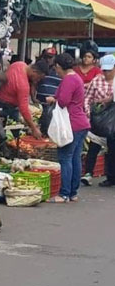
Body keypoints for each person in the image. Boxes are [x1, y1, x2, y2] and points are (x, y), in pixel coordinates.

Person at [47, 53, 91, 203]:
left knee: (65, 158)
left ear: (59, 66)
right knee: (75, 158)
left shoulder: (68, 80)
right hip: (81, 123)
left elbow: (64, 101)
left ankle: (64, 193)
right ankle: (73, 193)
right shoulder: (77, 78)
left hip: (71, 124)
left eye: (56, 67)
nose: (56, 71)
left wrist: (54, 99)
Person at [82, 54, 115, 187]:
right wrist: (89, 113)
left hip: (113, 121)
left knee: (112, 149)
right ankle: (88, 173)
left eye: (109, 70)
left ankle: (111, 177)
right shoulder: (97, 81)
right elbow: (87, 99)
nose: (106, 73)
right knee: (93, 147)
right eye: (104, 70)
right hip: (99, 120)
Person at [0, 59, 49, 139]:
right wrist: (34, 128)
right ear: (34, 71)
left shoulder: (19, 64)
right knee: (4, 135)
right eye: (39, 78)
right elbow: (23, 109)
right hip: (7, 108)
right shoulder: (23, 85)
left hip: (0, 102)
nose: (38, 81)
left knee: (0, 132)